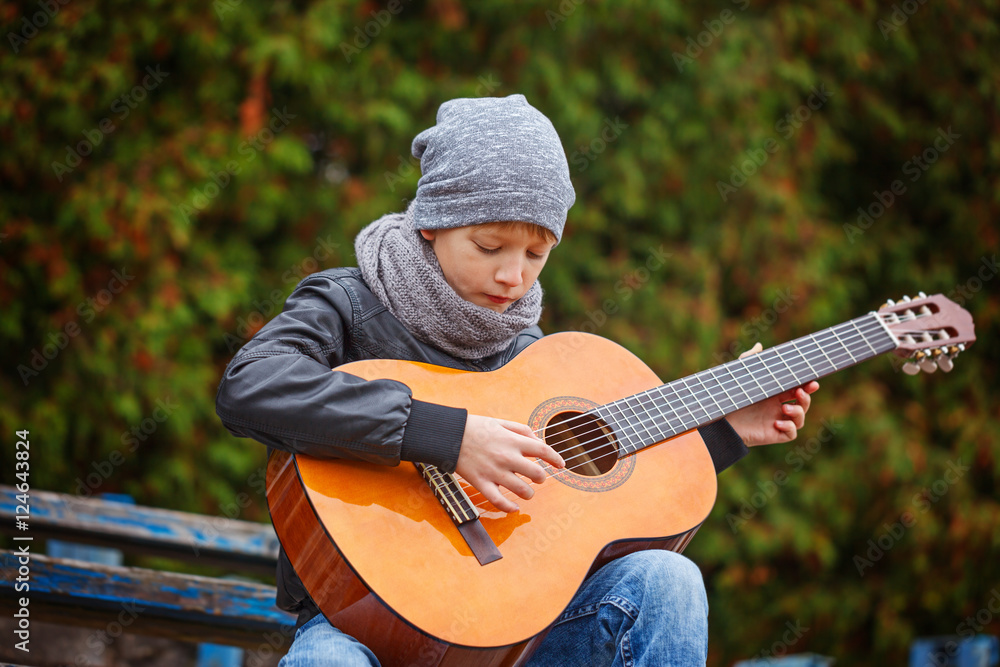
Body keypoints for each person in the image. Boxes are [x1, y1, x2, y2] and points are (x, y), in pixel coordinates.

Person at [215, 94, 819, 666]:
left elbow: (587, 512)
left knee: (669, 579)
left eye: (536, 255)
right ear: (430, 222)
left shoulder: (530, 354)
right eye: (489, 245)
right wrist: (445, 434)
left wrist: (725, 434)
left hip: (508, 643)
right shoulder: (348, 302)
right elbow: (252, 386)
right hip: (355, 621)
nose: (513, 276)